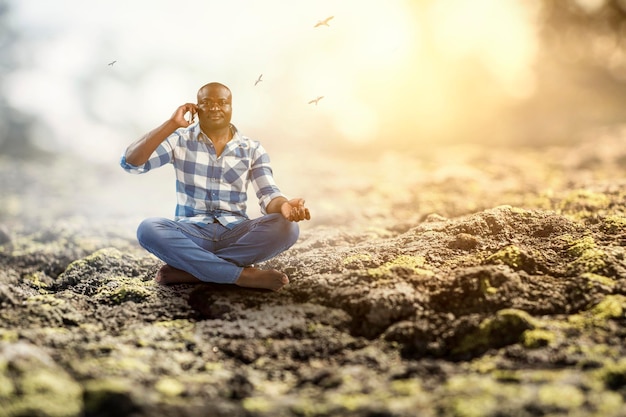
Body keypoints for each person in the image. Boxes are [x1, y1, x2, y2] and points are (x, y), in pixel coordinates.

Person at [120, 82, 310, 291]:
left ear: (231, 107)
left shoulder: (252, 148)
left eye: (222, 103)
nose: (214, 108)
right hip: (191, 234)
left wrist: (284, 207)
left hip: (236, 234)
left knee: (288, 227)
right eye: (206, 103)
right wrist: (171, 124)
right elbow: (131, 163)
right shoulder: (179, 140)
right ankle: (241, 275)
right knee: (148, 228)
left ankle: (194, 272)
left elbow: (269, 194)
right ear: (196, 107)